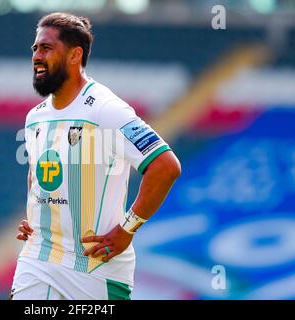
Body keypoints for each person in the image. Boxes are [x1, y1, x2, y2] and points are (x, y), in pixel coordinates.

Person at [11, 12, 181, 300]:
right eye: (35, 48)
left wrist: (128, 229)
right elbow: (39, 173)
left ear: (75, 55)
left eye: (47, 48)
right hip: (39, 259)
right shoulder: (35, 118)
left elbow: (165, 166)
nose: (37, 56)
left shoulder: (106, 110)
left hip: (95, 268)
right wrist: (38, 216)